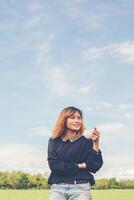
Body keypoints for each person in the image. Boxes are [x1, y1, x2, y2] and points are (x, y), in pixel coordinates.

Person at [47, 106, 103, 200]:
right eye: (72, 118)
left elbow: (94, 165)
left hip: (81, 187)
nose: (77, 121)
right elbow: (54, 165)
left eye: (79, 118)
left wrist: (96, 143)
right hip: (58, 187)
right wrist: (80, 166)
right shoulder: (54, 141)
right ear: (64, 120)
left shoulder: (87, 140)